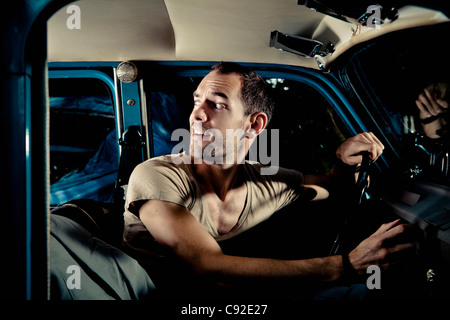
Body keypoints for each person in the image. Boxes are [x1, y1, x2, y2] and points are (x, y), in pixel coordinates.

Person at [123, 62, 413, 299]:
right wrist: (347, 266)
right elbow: (212, 269)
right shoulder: (157, 175)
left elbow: (334, 187)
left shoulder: (264, 179)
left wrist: (344, 160)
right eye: (197, 100)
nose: (197, 114)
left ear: (255, 124)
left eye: (217, 104)